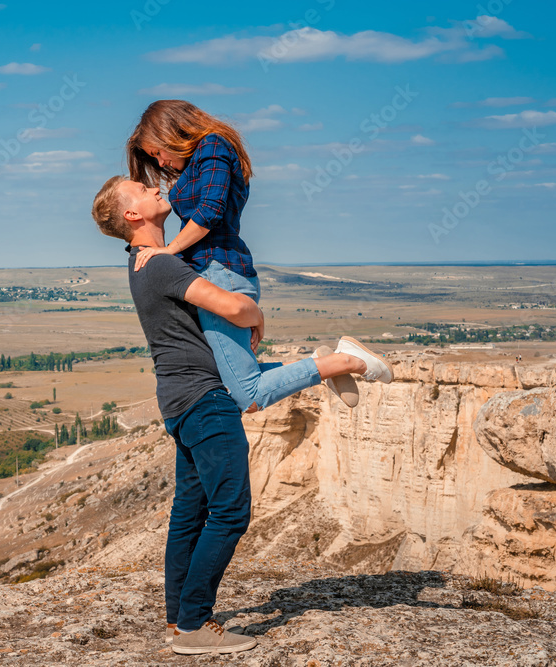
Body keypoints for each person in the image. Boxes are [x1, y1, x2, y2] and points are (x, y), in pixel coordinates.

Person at [91, 175, 394, 655]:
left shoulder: (144, 263)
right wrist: (256, 316)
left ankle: (178, 620)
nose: (154, 189)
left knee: (189, 513)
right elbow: (233, 306)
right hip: (205, 401)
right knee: (230, 511)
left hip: (179, 399)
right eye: (142, 189)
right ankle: (193, 625)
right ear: (132, 215)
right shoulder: (162, 265)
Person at [125, 100, 361, 410]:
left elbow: (210, 212)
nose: (161, 161)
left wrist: (168, 251)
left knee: (248, 394)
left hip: (220, 271)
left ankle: (345, 361)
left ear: (172, 132)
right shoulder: (201, 157)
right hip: (216, 270)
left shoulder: (213, 145)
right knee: (233, 379)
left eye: (158, 151)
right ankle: (323, 363)